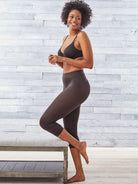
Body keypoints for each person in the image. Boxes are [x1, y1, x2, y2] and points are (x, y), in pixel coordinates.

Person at [40, 0, 93, 183]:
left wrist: (62, 57)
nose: (74, 20)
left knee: (46, 121)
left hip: (78, 86)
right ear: (66, 18)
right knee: (70, 129)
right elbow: (66, 64)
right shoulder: (65, 39)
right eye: (72, 17)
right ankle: (80, 173)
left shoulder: (82, 36)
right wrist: (57, 61)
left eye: (78, 18)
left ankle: (80, 145)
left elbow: (88, 63)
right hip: (68, 84)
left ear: (82, 20)